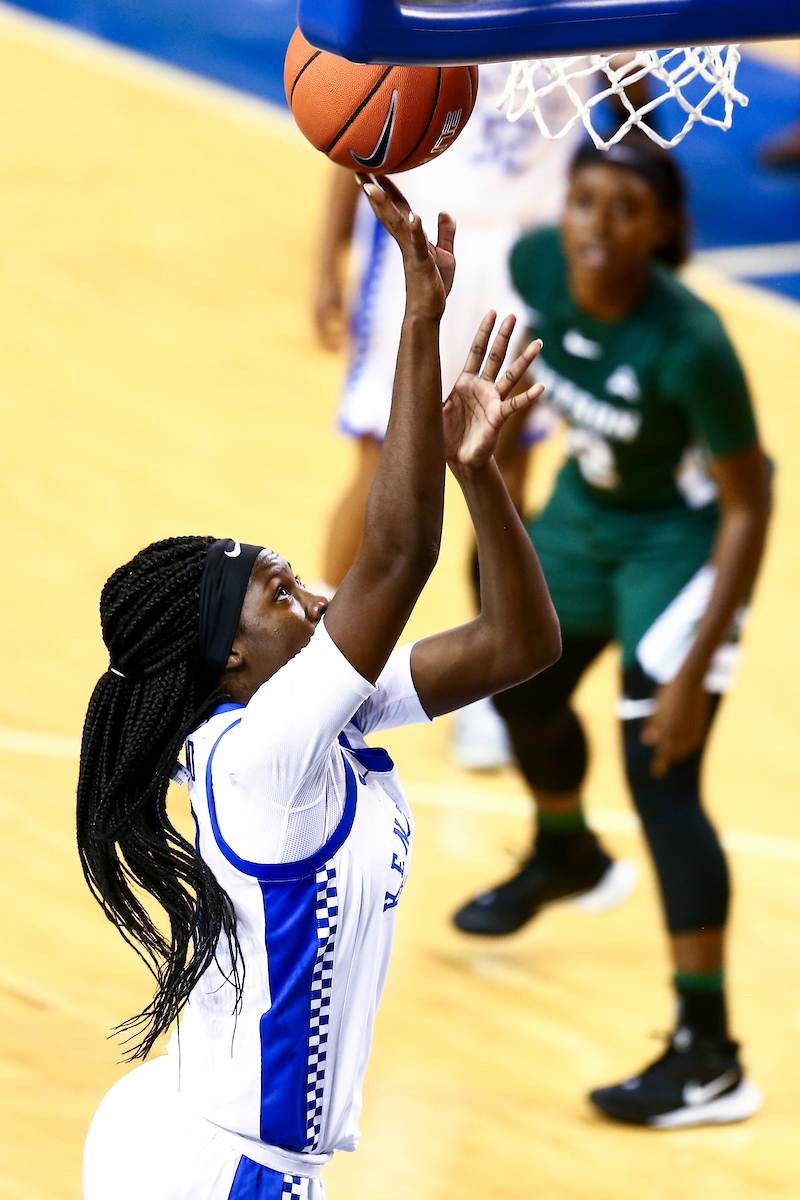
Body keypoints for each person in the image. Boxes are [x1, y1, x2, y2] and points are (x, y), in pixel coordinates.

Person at [77, 175, 561, 1200]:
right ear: (232, 660)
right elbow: (395, 559)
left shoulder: (301, 720)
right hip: (230, 1169)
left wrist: (480, 477)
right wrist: (419, 318)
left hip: (193, 1136)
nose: (307, 587)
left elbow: (517, 642)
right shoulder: (262, 755)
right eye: (276, 590)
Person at [453, 134, 772, 1129]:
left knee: (660, 775)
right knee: (515, 675)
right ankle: (563, 852)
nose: (597, 225)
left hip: (675, 548)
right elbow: (534, 398)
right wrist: (507, 509)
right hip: (584, 520)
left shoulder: (690, 343)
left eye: (624, 210)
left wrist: (691, 673)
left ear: (664, 228)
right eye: (584, 201)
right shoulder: (539, 261)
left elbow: (748, 503)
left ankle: (708, 1053)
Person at [313, 63, 584, 769]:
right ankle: (318, 664)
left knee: (506, 466)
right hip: (421, 234)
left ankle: (489, 695)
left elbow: (637, 119)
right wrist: (327, 257)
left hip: (536, 249)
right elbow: (352, 123)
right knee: (381, 461)